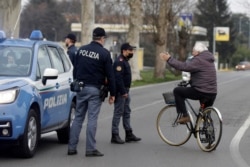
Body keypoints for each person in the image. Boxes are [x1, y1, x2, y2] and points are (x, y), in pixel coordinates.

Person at [67, 27, 116, 157]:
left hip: (81, 88)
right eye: (104, 38)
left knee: (78, 118)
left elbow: (75, 69)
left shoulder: (81, 50)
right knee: (92, 119)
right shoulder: (104, 53)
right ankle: (90, 149)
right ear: (102, 38)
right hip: (95, 89)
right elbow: (110, 75)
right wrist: (113, 94)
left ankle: (71, 147)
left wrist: (77, 81)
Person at [159, 42, 217, 124]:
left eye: (193, 51)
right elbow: (202, 76)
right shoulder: (209, 60)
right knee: (205, 114)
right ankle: (209, 133)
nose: (192, 53)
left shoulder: (198, 59)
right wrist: (189, 82)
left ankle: (185, 116)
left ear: (198, 52)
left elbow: (183, 66)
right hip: (212, 93)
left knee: (178, 91)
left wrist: (169, 59)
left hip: (201, 92)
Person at [111, 43, 141, 144]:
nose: (132, 52)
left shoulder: (125, 61)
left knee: (127, 112)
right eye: (130, 50)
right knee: (118, 113)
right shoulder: (119, 62)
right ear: (124, 51)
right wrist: (123, 92)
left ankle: (129, 133)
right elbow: (118, 78)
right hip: (121, 92)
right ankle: (114, 135)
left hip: (126, 91)